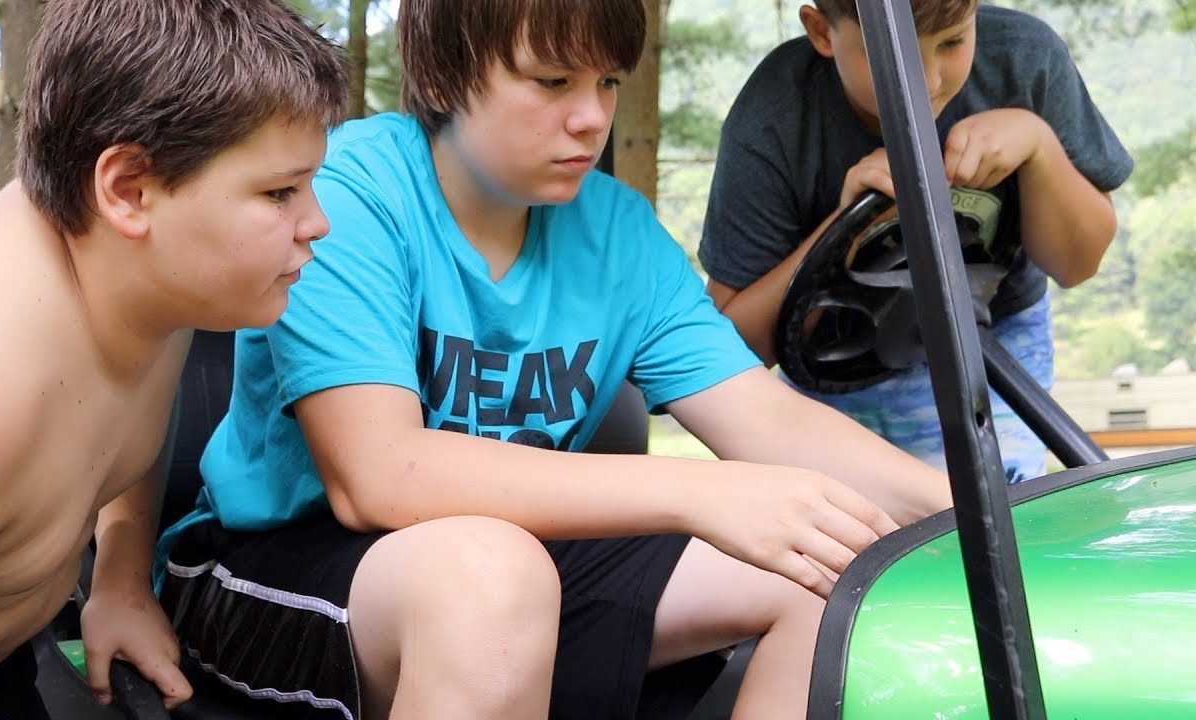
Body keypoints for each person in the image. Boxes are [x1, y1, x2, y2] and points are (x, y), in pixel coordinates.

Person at [156, 0, 951, 718]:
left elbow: (767, 417)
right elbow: (378, 476)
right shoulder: (348, 189)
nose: (591, 118)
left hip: (515, 559)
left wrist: (973, 509)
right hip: (284, 558)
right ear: (443, 75)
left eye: (607, 82)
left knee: (828, 573)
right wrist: (701, 489)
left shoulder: (619, 232)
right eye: (552, 80)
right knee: (490, 575)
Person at [0, 0, 348, 716]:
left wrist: (119, 571)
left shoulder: (139, 281)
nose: (318, 223)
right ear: (128, 190)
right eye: (279, 192)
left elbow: (126, 424)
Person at [699, 0, 1133, 483]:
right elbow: (731, 348)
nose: (926, 82)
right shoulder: (774, 115)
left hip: (999, 350)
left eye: (951, 42)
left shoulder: (1026, 60)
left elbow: (1078, 264)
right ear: (821, 32)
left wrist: (1039, 148)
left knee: (995, 529)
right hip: (833, 368)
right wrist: (842, 230)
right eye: (889, 53)